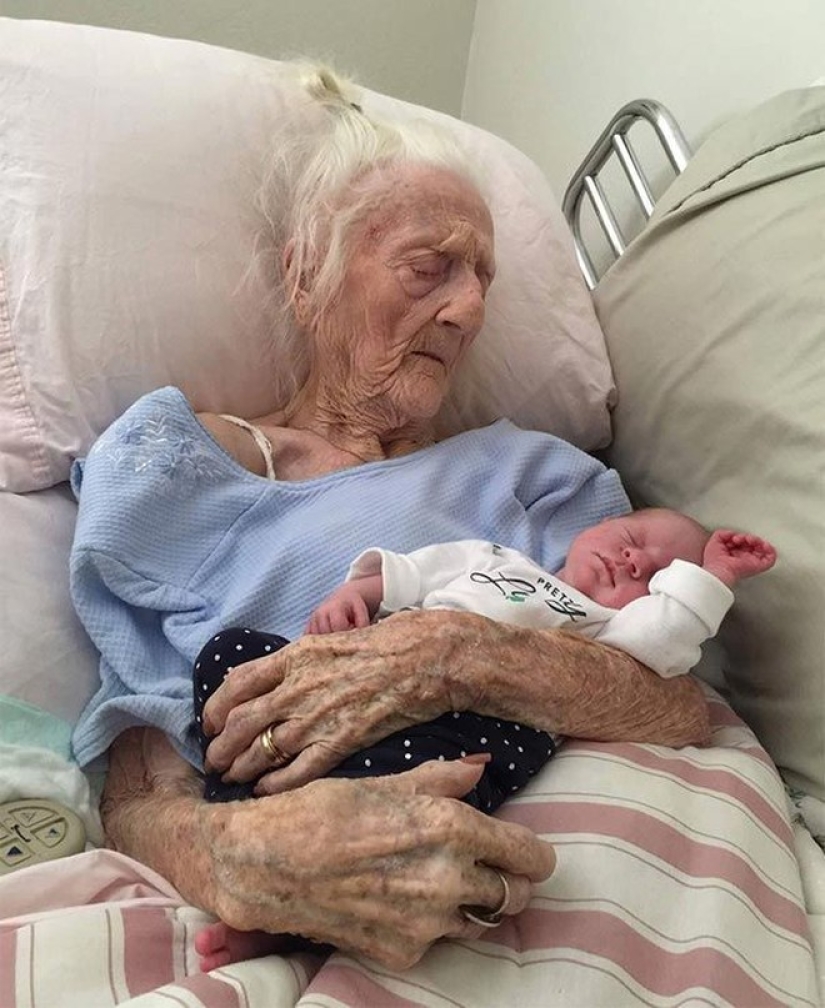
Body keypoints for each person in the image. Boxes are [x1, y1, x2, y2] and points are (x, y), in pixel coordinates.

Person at [68, 64, 711, 974]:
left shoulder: (538, 472)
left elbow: (673, 702)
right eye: (428, 266)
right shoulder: (175, 467)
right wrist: (234, 853)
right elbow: (134, 778)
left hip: (573, 864)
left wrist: (452, 652)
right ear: (306, 277)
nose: (471, 307)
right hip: (301, 848)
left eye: (484, 276)